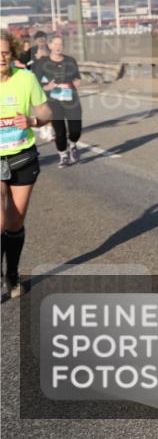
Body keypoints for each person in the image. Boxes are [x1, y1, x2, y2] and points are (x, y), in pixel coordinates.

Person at [1, 30, 52, 298]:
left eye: (5, 52)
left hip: (22, 156)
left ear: (13, 52)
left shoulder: (26, 78)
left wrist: (33, 121)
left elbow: (45, 111)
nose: (1, 57)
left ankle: (12, 273)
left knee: (14, 221)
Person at [33, 36, 82, 168]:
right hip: (53, 101)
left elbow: (77, 77)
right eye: (55, 44)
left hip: (71, 99)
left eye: (60, 44)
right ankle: (63, 155)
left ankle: (72, 144)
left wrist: (77, 81)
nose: (58, 46)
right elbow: (35, 82)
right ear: (50, 46)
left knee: (75, 129)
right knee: (59, 131)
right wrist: (46, 87)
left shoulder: (70, 61)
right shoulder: (42, 63)